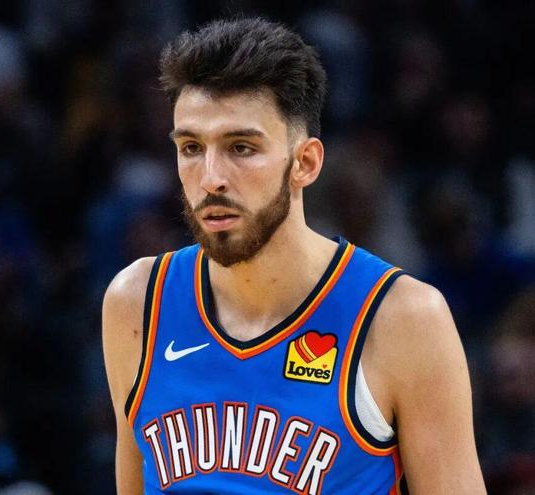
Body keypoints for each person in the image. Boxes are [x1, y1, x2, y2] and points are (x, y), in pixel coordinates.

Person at [103, 17, 486, 494]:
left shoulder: (403, 317)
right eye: (192, 148)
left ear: (305, 163)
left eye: (241, 148)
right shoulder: (136, 302)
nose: (211, 177)